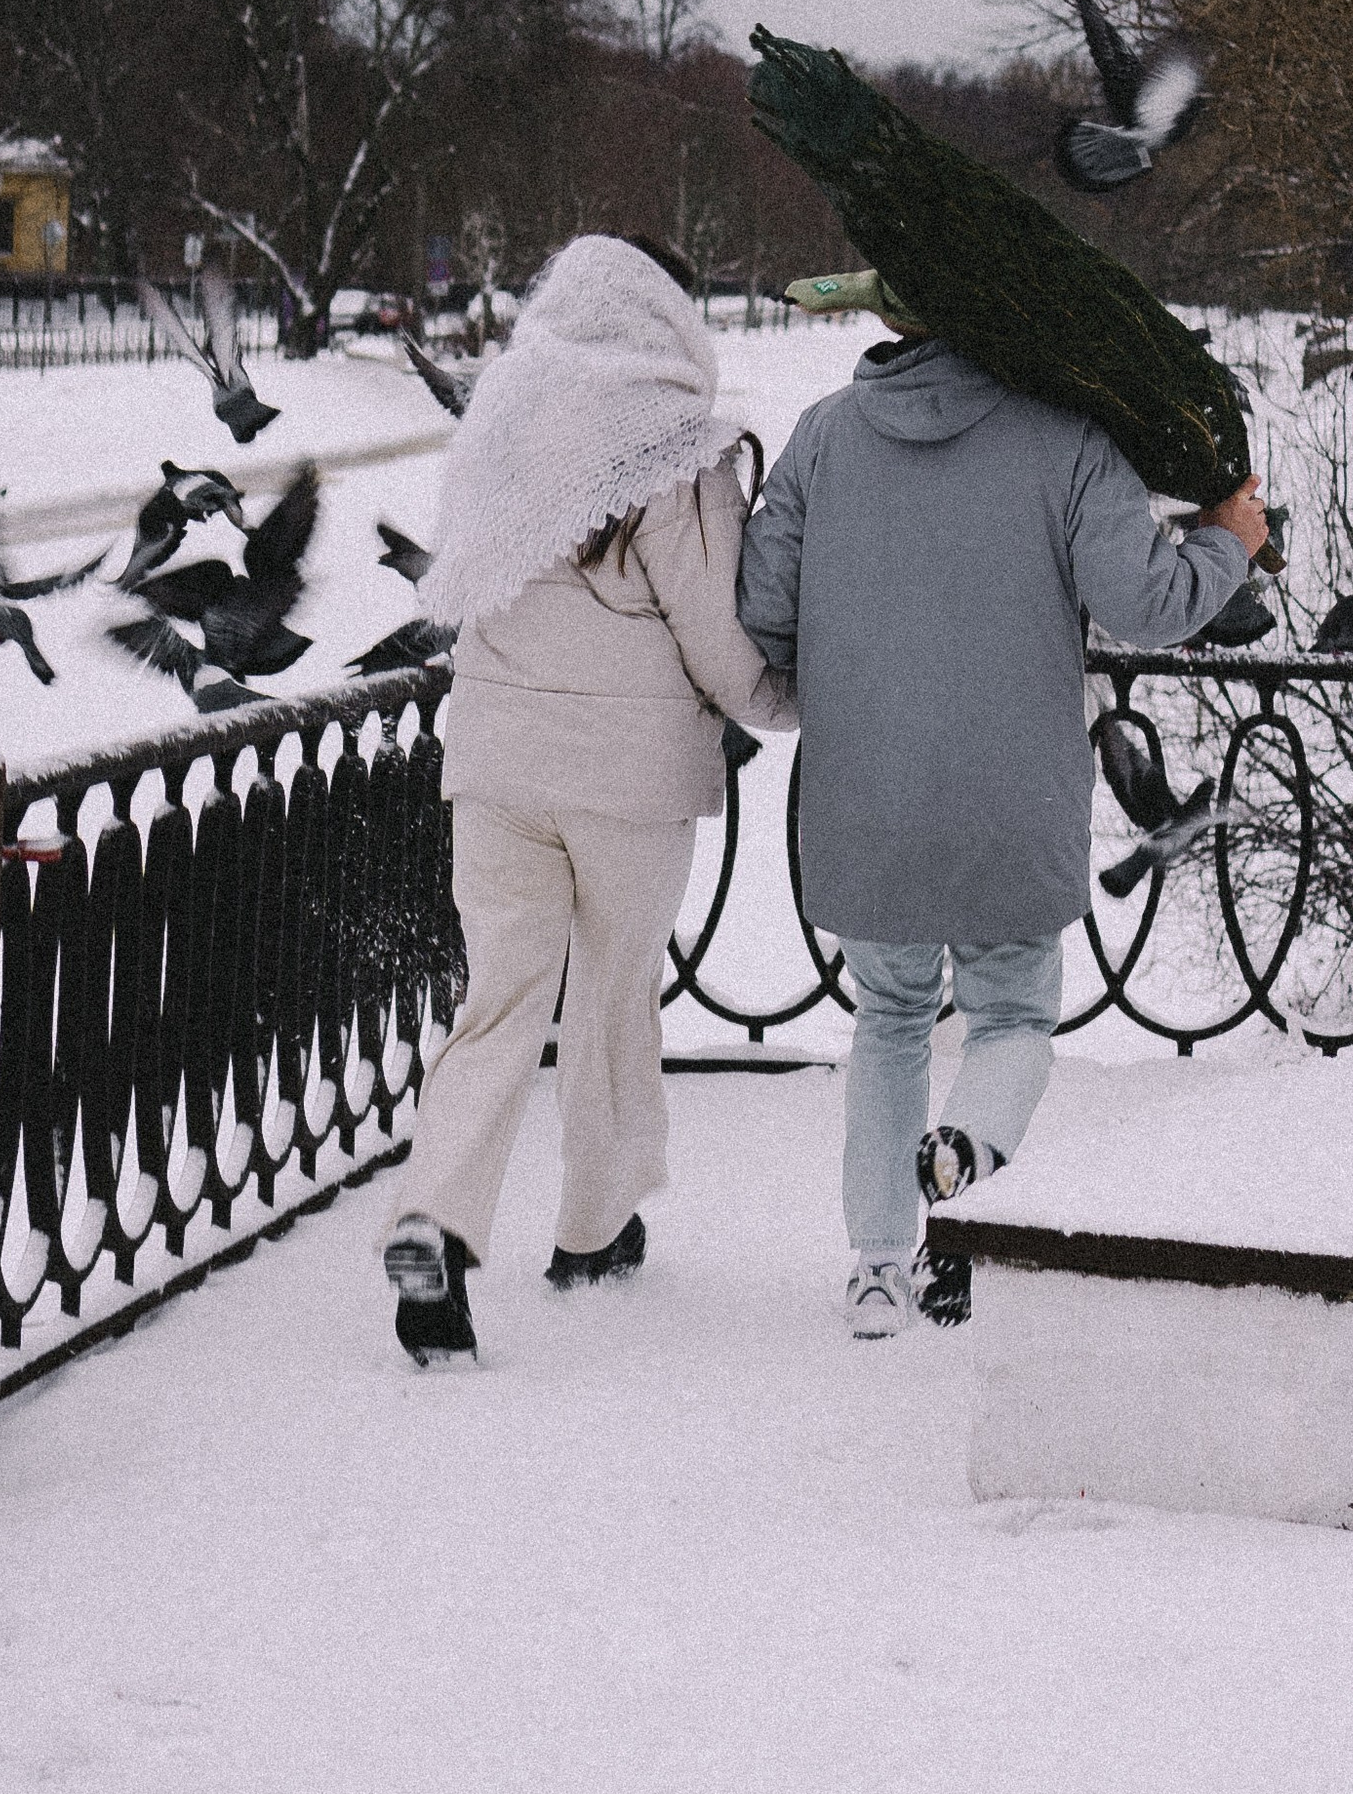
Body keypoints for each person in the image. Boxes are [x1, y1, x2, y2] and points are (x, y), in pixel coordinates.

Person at [736, 314, 1268, 1337]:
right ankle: (969, 1153)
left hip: (864, 790)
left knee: (888, 1017)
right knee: (1014, 1015)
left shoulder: (823, 435)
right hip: (1013, 791)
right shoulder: (1068, 439)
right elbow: (1146, 604)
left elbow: (763, 611)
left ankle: (879, 1271)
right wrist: (1224, 544)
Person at [382, 235, 793, 1361]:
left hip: (495, 761)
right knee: (612, 996)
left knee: (499, 1000)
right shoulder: (674, 445)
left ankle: (436, 1217)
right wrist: (787, 702)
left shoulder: (502, 417)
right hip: (625, 776)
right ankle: (591, 1229)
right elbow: (718, 635)